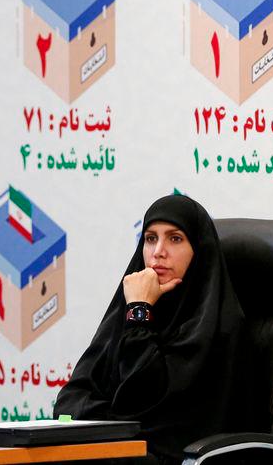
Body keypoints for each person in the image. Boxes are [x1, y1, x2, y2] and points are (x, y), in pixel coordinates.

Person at [53, 195, 246, 464]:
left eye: (175, 238)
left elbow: (146, 401)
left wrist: (140, 313)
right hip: (120, 451)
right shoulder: (126, 311)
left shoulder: (217, 327)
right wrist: (118, 424)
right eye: (150, 238)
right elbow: (69, 402)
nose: (158, 252)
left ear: (198, 250)